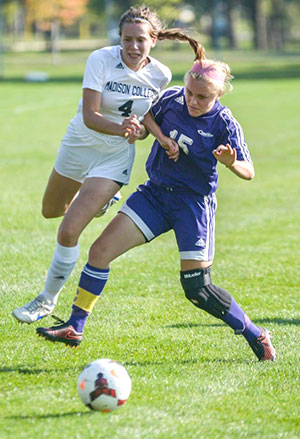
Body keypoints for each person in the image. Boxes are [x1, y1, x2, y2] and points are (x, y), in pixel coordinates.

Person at [36, 54, 276, 362]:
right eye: (190, 91)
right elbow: (148, 114)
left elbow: (249, 170)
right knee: (99, 252)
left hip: (193, 205)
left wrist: (231, 163)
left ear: (218, 94)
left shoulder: (224, 122)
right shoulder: (173, 97)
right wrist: (162, 137)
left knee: (197, 289)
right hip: (156, 195)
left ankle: (255, 333)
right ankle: (75, 326)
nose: (192, 99)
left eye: (202, 97)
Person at [12, 5, 206, 324]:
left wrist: (148, 133)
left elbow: (143, 118)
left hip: (114, 156)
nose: (132, 46)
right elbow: (90, 116)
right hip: (79, 144)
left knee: (69, 230)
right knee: (51, 210)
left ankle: (46, 300)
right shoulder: (100, 59)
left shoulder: (161, 74)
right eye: (127, 39)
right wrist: (123, 129)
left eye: (140, 40)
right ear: (120, 38)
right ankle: (98, 201)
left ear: (153, 40)